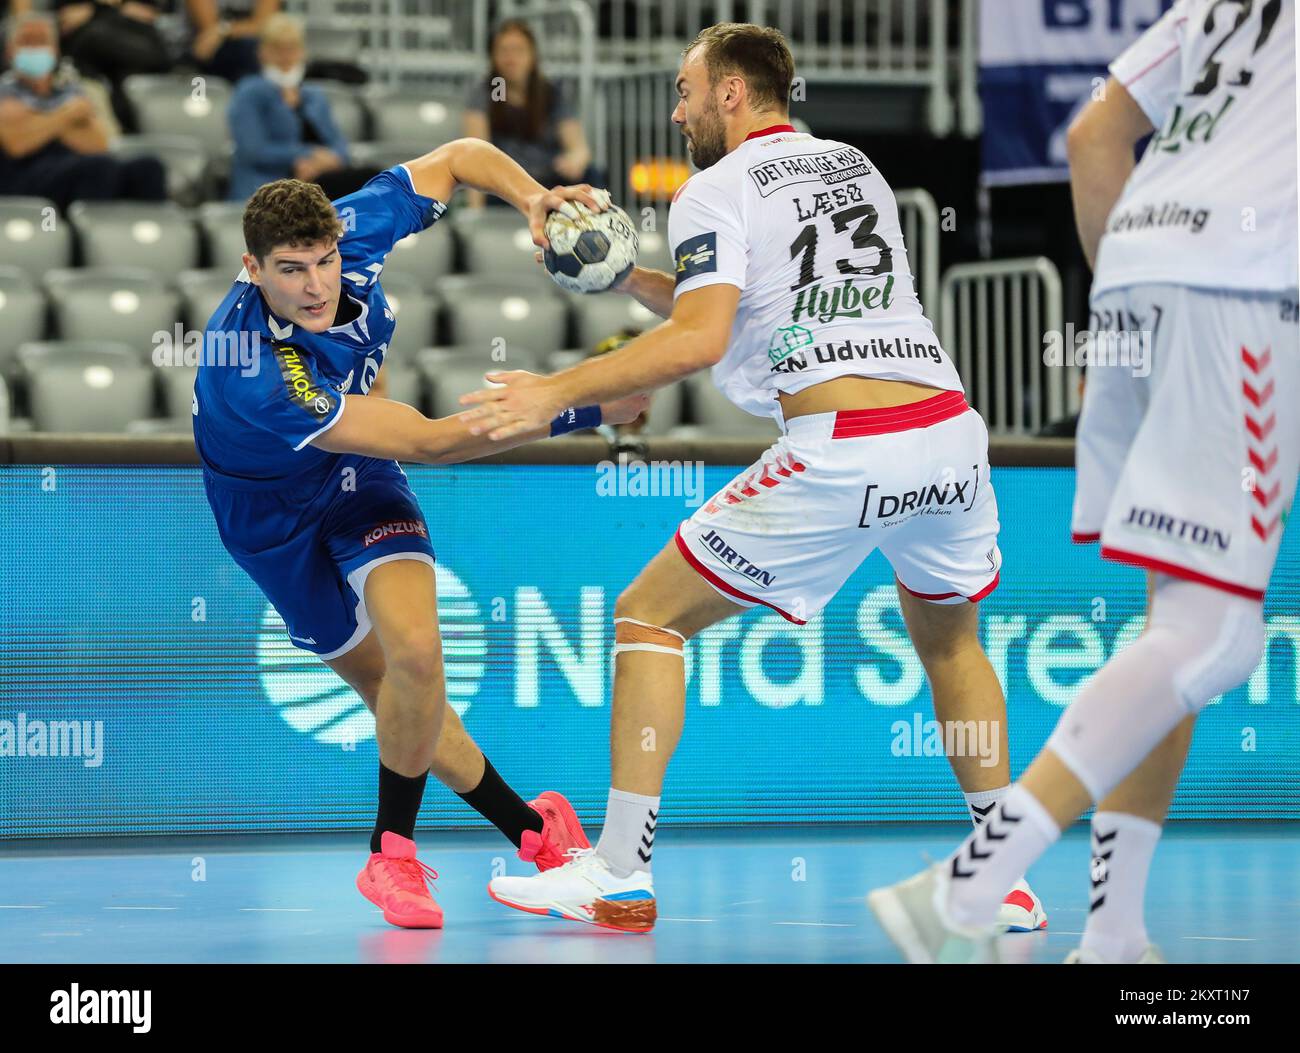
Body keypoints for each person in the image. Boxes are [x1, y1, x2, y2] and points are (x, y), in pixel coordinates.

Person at [463, 22, 1046, 934]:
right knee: (951, 647)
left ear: (731, 93)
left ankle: (617, 869)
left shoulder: (713, 187)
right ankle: (1004, 879)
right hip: (946, 431)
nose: (677, 108)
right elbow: (753, 303)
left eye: (686, 91)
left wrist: (554, 393)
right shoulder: (853, 166)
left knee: (648, 616)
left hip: (846, 444)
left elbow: (701, 338)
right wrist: (625, 277)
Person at [868, 0, 1297, 964]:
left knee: (1177, 633)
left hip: (1135, 270)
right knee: (1219, 635)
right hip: (1244, 291)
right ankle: (971, 886)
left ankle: (1115, 936)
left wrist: (1132, 307)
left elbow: (1093, 129)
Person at [193, 138, 647, 928]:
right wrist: (579, 408)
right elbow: (434, 441)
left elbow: (464, 154)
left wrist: (534, 199)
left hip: (361, 481)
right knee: (389, 694)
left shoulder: (350, 235)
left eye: (324, 261)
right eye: (291, 270)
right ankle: (537, 830)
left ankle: (390, 855)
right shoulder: (256, 372)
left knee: (418, 655)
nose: (315, 284)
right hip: (271, 522)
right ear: (252, 268)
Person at [0, 12, 164, 211]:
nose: (35, 49)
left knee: (149, 168)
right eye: (27, 41)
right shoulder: (5, 92)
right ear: (10, 51)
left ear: (55, 50)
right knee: (98, 168)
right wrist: (67, 116)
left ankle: (144, 237)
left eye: (41, 41)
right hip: (24, 176)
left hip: (74, 166)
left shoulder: (73, 90)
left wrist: (35, 122)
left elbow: (99, 145)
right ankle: (88, 239)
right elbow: (17, 145)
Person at [227, 13, 378, 201]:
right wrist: (306, 155)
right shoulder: (249, 92)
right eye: (278, 48)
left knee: (375, 178)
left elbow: (339, 144)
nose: (286, 56)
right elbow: (252, 150)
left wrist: (324, 162)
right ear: (262, 52)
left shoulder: (313, 95)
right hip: (270, 186)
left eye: (291, 48)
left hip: (316, 181)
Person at [462, 18, 595, 210]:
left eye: (518, 50)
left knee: (591, 175)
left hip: (548, 181)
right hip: (506, 186)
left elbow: (579, 149)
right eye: (504, 51)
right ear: (493, 56)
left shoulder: (552, 93)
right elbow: (476, 154)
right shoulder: (484, 93)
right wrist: (476, 214)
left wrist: (575, 160)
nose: (511, 58)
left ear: (532, 56)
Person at [53, 0, 172, 131]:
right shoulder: (91, 29)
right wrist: (109, 11)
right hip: (89, 72)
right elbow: (72, 28)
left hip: (135, 66)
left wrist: (99, 12)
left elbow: (158, 55)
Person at [185, 0, 278, 85]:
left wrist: (224, 30)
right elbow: (208, 30)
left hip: (250, 49)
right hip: (207, 48)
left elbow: (264, 25)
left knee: (251, 47)